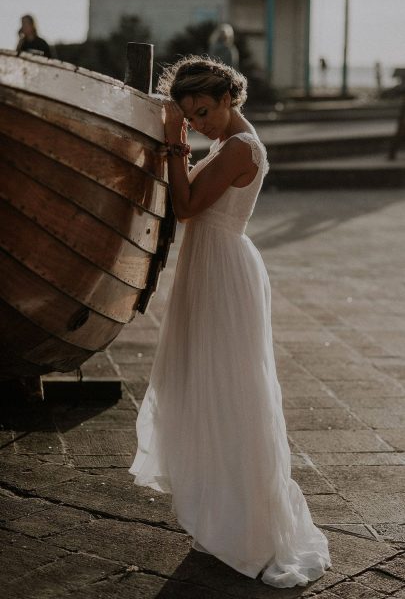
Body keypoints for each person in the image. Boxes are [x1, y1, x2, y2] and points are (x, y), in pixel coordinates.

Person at [128, 55, 332, 588]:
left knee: (232, 391)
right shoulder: (225, 143)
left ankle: (247, 525)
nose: (198, 123)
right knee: (214, 387)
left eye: (203, 112)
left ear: (228, 99)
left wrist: (175, 145)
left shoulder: (240, 147)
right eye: (189, 115)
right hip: (213, 266)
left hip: (224, 270)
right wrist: (182, 141)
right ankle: (225, 509)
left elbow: (188, 206)